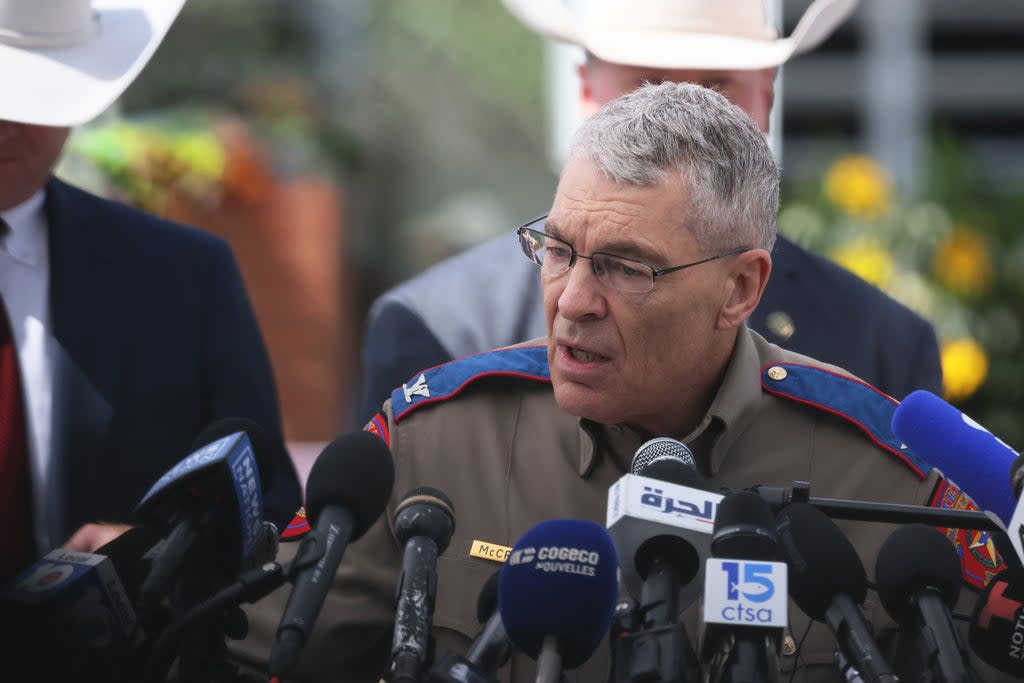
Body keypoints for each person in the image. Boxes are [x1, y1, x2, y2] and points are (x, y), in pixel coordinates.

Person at [238, 83, 1009, 682]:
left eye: (624, 266)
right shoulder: (437, 439)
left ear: (740, 289)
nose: (572, 301)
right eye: (559, 248)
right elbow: (248, 652)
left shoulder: (880, 475)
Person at [356, 0, 943, 426]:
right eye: (646, 86)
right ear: (585, 91)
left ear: (769, 96)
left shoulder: (882, 343)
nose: (681, 120)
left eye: (719, 88)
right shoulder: (438, 327)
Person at [0, 0, 301, 581]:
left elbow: (266, 504)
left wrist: (163, 552)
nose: (8, 124)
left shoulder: (182, 274)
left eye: (34, 98)